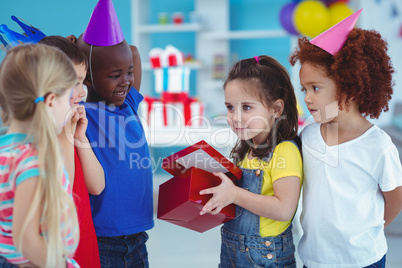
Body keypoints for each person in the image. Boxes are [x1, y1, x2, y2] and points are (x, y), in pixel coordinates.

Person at [289, 10, 402, 268]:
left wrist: (369, 230)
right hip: (314, 259)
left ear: (349, 86)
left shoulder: (378, 145)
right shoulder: (307, 135)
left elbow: (395, 199)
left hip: (363, 259)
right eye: (304, 89)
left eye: (315, 88)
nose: (307, 98)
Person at [200, 55, 303, 267]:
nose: (235, 117)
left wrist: (235, 194)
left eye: (247, 107)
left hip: (266, 257)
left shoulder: (284, 151)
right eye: (230, 107)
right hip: (231, 252)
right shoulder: (246, 149)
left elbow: (284, 209)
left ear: (276, 109)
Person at [74, 0, 153, 266]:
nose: (126, 81)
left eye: (128, 73)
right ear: (86, 78)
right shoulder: (84, 111)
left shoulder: (128, 104)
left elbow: (133, 52)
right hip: (104, 239)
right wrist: (74, 51)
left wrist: (122, 61)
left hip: (139, 236)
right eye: (115, 75)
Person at [0, 44, 80, 267]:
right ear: (52, 101)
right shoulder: (31, 160)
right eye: (69, 98)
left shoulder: (7, 149)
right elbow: (26, 238)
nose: (70, 105)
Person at [39, 35, 104, 268]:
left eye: (82, 82)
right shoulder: (41, 139)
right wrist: (66, 134)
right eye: (73, 82)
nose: (82, 91)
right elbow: (64, 196)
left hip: (84, 247)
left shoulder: (71, 131)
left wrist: (79, 137)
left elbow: (96, 186)